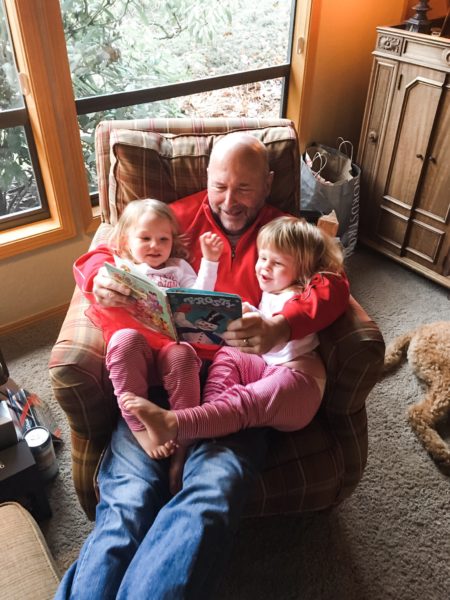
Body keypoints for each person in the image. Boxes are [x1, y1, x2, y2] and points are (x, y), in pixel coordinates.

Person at [55, 132, 350, 600]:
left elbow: (334, 283)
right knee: (127, 507)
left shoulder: (284, 231)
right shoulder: (176, 216)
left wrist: (282, 327)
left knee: (210, 496)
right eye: (219, 185)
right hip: (158, 379)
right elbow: (99, 251)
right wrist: (99, 279)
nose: (229, 201)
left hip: (236, 389)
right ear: (207, 179)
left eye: (245, 188)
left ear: (269, 182)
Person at [122, 216, 345, 453]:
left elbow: (332, 286)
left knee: (245, 403)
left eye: (277, 263)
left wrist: (266, 322)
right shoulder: (272, 291)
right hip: (265, 367)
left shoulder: (302, 293)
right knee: (228, 355)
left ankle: (174, 423)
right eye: (262, 258)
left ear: (303, 269)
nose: (264, 267)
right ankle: (206, 420)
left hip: (299, 383)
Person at [85, 198, 223, 488]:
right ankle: (139, 428)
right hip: (138, 355)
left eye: (163, 238)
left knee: (183, 354)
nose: (154, 245)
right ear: (126, 240)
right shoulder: (123, 266)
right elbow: (93, 274)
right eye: (144, 238)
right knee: (123, 340)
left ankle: (183, 444)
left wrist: (210, 259)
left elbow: (201, 295)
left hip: (170, 348)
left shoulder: (179, 267)